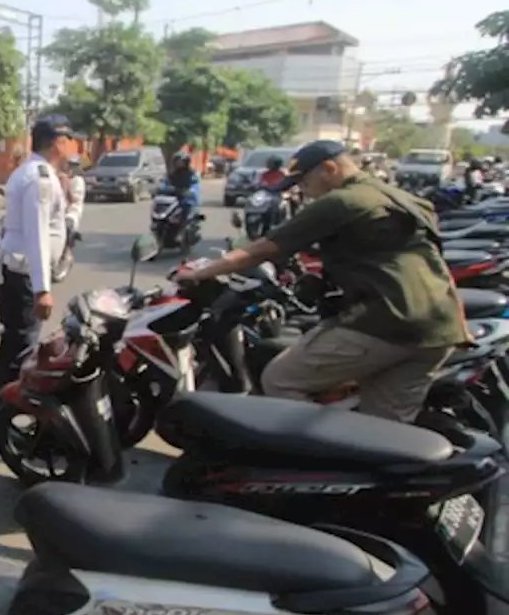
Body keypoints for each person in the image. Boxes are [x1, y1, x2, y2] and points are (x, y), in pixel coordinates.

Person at [174, 139, 469, 423]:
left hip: (388, 321)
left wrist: (198, 273)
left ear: (329, 169)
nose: (304, 190)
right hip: (440, 328)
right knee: (385, 425)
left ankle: (314, 453)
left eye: (305, 181)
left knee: (280, 379)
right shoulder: (399, 196)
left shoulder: (342, 201)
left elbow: (262, 249)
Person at [0, 115, 74, 422]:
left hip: (14, 270)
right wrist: (42, 289)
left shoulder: (30, 171)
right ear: (56, 141)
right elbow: (36, 234)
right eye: (69, 138)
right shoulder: (40, 178)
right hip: (24, 275)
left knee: (13, 343)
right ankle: (4, 415)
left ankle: (0, 410)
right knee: (21, 348)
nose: (72, 145)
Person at [62, 155, 85, 259]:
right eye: (70, 165)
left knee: (68, 224)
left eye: (74, 165)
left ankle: (68, 252)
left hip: (72, 212)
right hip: (61, 210)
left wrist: (67, 188)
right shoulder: (63, 178)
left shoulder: (78, 181)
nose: (71, 167)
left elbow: (74, 199)